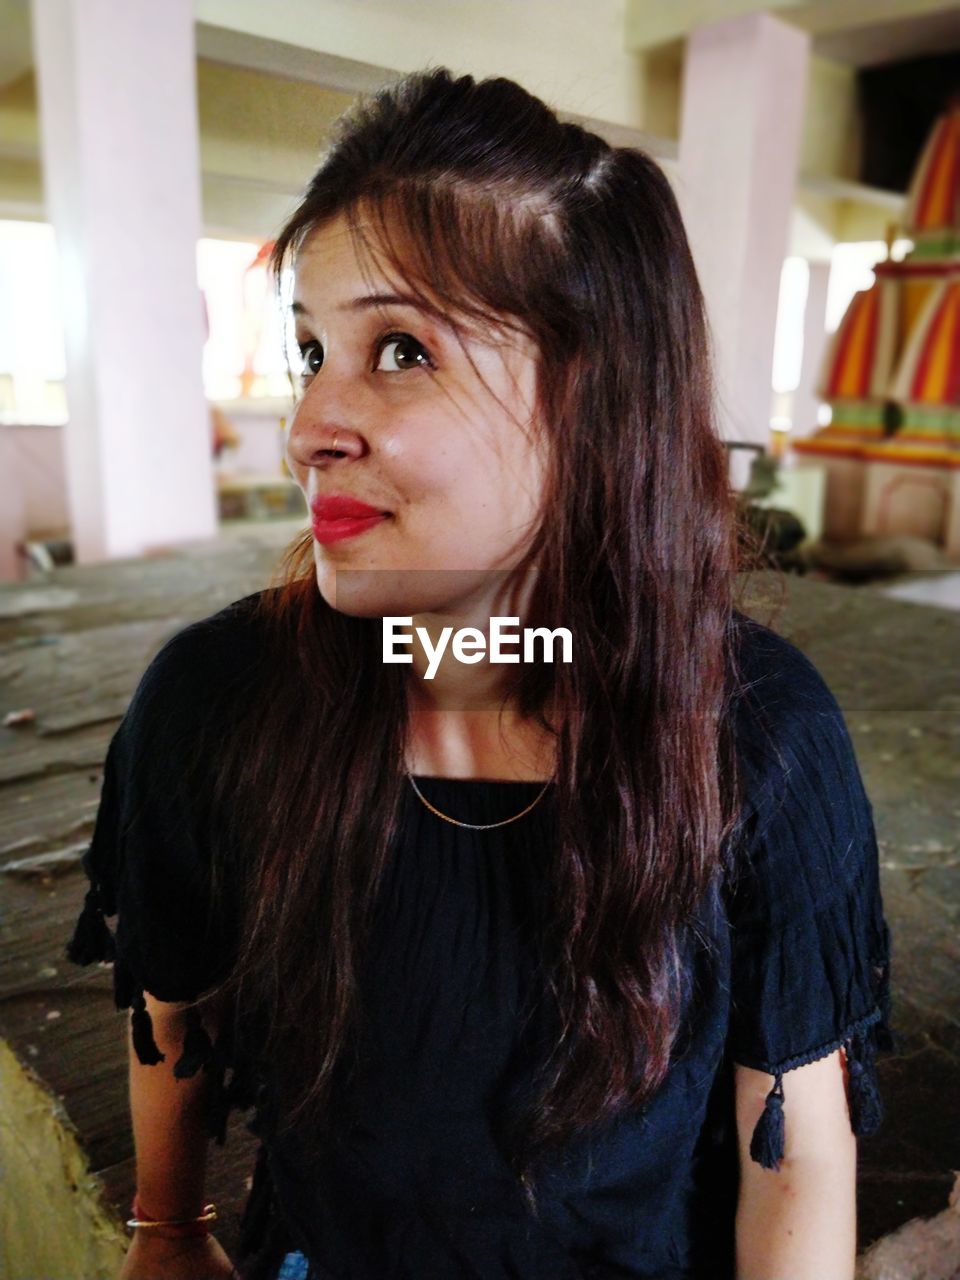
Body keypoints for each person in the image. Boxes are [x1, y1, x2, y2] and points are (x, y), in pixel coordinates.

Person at [66, 67, 895, 1280]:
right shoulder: (217, 699)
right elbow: (172, 1001)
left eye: (399, 349)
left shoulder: (757, 739)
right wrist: (168, 1228)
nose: (308, 427)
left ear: (594, 395)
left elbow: (795, 1148)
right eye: (311, 351)